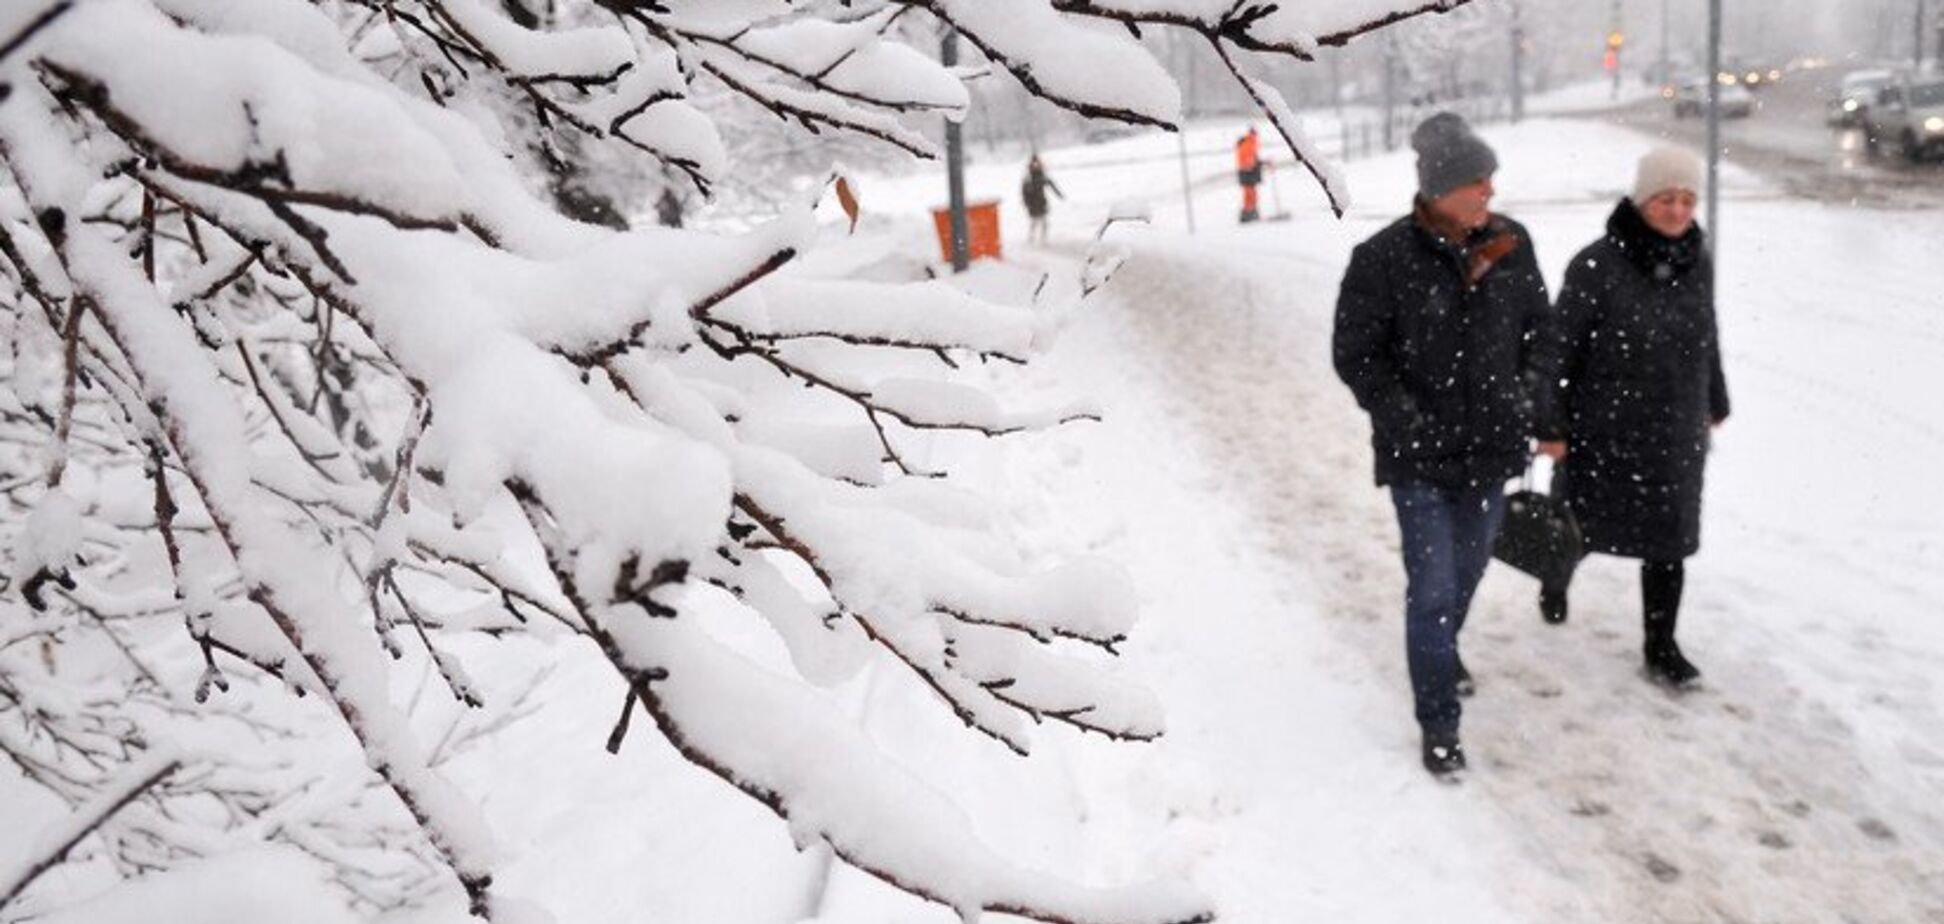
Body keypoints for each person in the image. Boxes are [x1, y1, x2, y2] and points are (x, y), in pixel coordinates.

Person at [1333, 112, 1551, 777]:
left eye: (1491, 180)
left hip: (1489, 455)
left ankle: (1441, 646)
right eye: (1476, 182)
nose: (1489, 192)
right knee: (1431, 589)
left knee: (1469, 572)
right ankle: (1439, 724)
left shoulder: (1512, 244)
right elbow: (1356, 355)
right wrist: (1404, 418)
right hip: (1419, 461)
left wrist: (1528, 402)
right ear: (1439, 189)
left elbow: (1542, 334)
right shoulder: (1382, 259)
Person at [1533, 145, 1729, 690]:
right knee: (1577, 526)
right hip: (1604, 430)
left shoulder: (1697, 260)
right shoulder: (1596, 265)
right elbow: (1557, 350)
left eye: (1687, 199)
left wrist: (1716, 396)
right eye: (1666, 198)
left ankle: (1660, 645)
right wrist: (1550, 424)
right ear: (1643, 200)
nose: (1677, 211)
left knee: (1670, 541)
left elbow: (1705, 333)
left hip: (1675, 431)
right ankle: (1555, 579)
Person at [1020, 155, 1063, 245]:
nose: (1036, 166)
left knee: (1044, 221)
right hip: (1032, 203)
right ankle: (1031, 238)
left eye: (1038, 164)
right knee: (1034, 222)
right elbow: (1024, 193)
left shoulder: (1041, 175)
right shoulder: (1028, 178)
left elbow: (1051, 184)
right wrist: (1026, 203)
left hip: (1041, 202)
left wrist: (1058, 194)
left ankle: (1043, 239)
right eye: (1034, 164)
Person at [1235, 127, 1264, 223]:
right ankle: (1249, 213)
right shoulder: (1249, 143)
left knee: (1251, 193)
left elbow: (1253, 159)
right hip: (1247, 173)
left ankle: (1251, 212)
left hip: (1247, 173)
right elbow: (1249, 160)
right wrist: (1254, 164)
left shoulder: (1250, 143)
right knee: (1250, 194)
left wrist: (1260, 163)